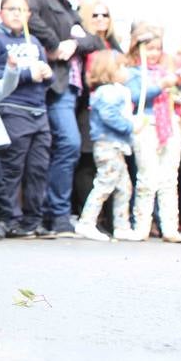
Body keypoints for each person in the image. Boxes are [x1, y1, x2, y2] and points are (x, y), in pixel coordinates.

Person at [26, 0, 106, 236]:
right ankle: (56, 215)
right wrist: (53, 43)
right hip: (53, 86)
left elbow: (94, 41)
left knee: (60, 149)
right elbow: (28, 16)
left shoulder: (70, 10)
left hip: (70, 89)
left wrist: (71, 44)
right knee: (67, 146)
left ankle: (52, 214)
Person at [0, 0, 53, 239]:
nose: (17, 14)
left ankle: (32, 220)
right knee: (12, 166)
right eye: (11, 8)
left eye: (22, 10)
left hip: (39, 110)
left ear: (29, 15)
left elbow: (46, 81)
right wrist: (26, 74)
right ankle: (9, 218)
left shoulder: (34, 42)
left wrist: (47, 74)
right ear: (1, 12)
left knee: (38, 169)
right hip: (14, 108)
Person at [124, 26, 181, 242]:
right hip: (147, 125)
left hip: (169, 124)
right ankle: (141, 226)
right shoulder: (133, 72)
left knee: (169, 179)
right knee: (147, 178)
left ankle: (170, 228)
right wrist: (161, 85)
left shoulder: (165, 72)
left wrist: (180, 82)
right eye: (149, 49)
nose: (154, 53)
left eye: (157, 49)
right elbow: (136, 95)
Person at [74, 50, 135, 242]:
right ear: (110, 70)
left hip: (116, 145)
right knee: (104, 185)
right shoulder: (108, 92)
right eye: (122, 67)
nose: (126, 71)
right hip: (109, 145)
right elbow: (109, 115)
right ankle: (86, 222)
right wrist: (131, 126)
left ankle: (121, 225)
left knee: (124, 187)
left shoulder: (116, 90)